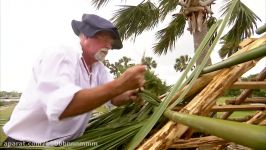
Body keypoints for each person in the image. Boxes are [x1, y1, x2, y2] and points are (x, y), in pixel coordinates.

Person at [2, 14, 146, 147]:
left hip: (64, 145)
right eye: (104, 39)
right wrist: (120, 84)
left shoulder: (99, 69)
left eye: (111, 43)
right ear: (85, 36)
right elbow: (62, 107)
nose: (108, 46)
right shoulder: (61, 55)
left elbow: (113, 98)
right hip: (26, 144)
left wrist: (128, 92)